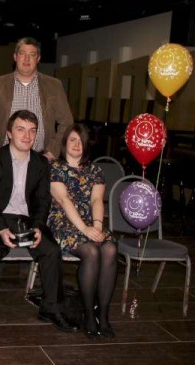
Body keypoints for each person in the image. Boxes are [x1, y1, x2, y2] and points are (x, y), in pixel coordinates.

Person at [0, 109, 79, 335]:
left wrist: (38, 227)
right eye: (21, 129)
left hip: (27, 221)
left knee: (51, 250)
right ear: (9, 133)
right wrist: (0, 229)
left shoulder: (41, 163)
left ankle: (51, 308)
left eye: (32, 131)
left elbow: (42, 200)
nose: (27, 136)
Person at [48, 123, 117, 339]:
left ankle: (103, 315)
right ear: (65, 143)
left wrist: (96, 225)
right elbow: (64, 200)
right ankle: (88, 314)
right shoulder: (55, 168)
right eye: (72, 140)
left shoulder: (94, 169)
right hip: (63, 222)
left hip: (89, 221)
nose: (77, 144)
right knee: (91, 251)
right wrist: (85, 229)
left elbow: (97, 199)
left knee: (110, 249)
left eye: (81, 141)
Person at [0, 37, 73, 161]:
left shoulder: (54, 85)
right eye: (22, 54)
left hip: (41, 159)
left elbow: (67, 122)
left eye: (32, 55)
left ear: (38, 58)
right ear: (15, 57)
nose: (26, 59)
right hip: (4, 159)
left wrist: (52, 152)